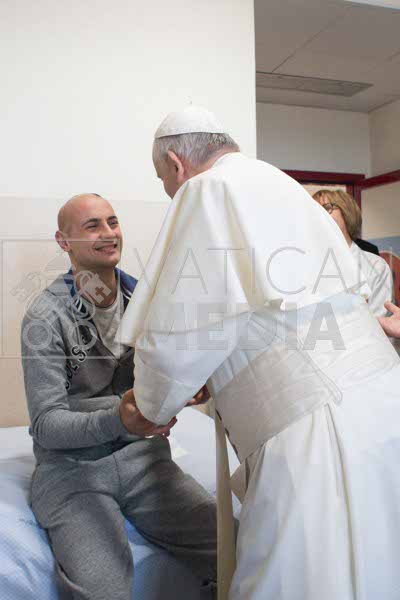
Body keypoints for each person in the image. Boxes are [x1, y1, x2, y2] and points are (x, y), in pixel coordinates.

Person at [117, 106, 400, 600]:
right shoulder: (280, 184)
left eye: (164, 180)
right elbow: (266, 315)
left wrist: (150, 406)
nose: (169, 190)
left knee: (304, 575)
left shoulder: (206, 190)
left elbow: (183, 332)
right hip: (380, 401)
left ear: (177, 164)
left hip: (315, 423)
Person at [20, 193, 217, 600]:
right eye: (92, 226)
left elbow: (159, 376)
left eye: (112, 222)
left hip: (143, 460)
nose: (109, 233)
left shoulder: (144, 301)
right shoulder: (46, 317)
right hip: (70, 472)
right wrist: (119, 418)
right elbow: (46, 425)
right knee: (103, 589)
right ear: (64, 241)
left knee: (236, 549)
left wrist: (187, 388)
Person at [313, 189, 393, 316]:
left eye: (326, 208)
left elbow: (379, 320)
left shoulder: (375, 266)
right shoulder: (309, 264)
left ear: (346, 212)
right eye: (314, 210)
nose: (319, 214)